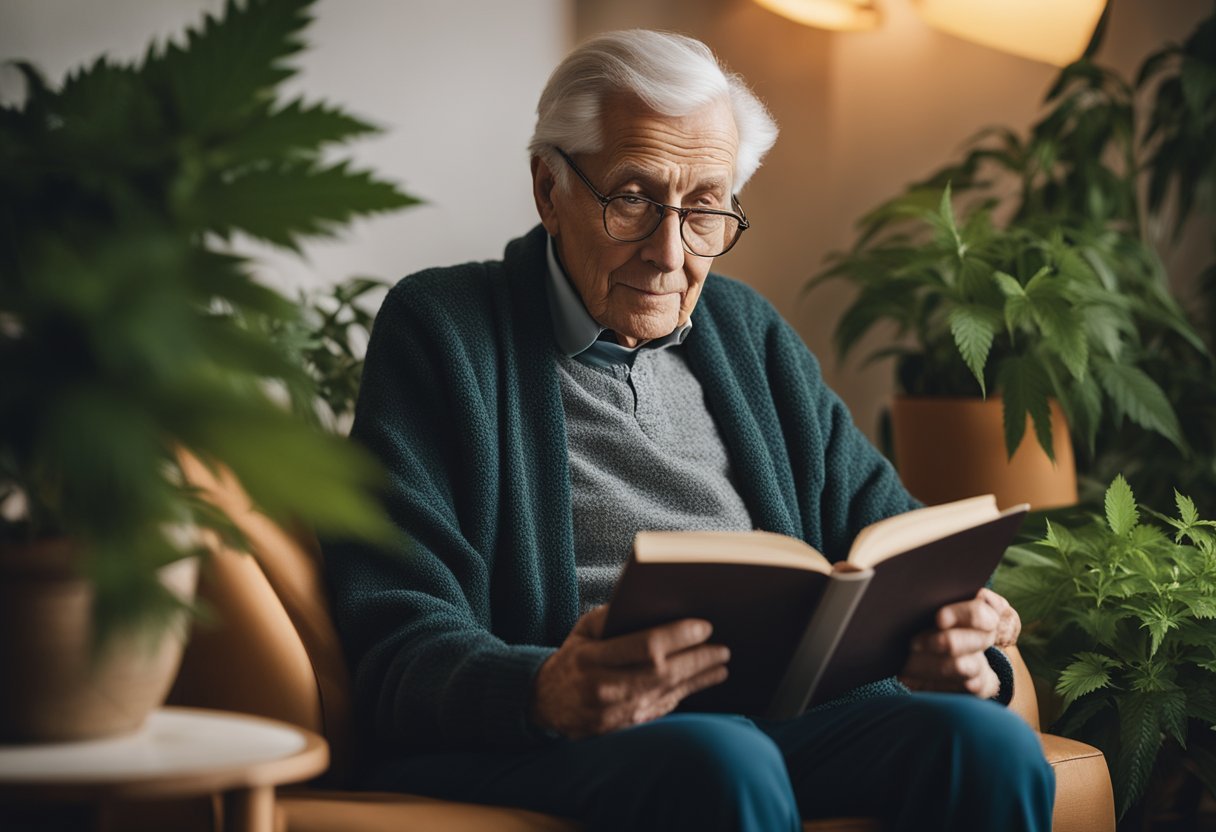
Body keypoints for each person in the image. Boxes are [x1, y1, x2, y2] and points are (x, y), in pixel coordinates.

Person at [324, 29, 1054, 832]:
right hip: (569, 736)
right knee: (721, 762)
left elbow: (895, 536)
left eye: (705, 206)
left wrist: (965, 639)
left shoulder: (749, 332)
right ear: (547, 188)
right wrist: (545, 690)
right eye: (632, 198)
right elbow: (394, 623)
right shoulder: (444, 330)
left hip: (782, 726)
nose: (670, 253)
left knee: (987, 746)